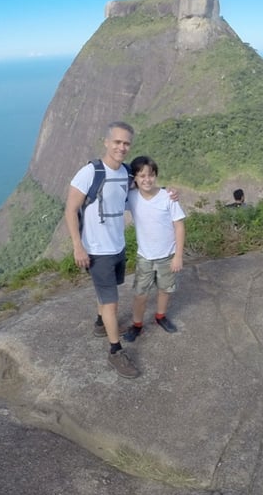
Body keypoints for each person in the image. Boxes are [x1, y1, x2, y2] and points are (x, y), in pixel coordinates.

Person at [64, 121, 139, 379]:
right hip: (97, 251)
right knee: (112, 303)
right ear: (106, 142)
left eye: (126, 143)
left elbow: (141, 193)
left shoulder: (127, 173)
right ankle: (115, 351)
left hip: (118, 246)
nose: (121, 147)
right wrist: (78, 246)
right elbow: (71, 209)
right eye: (117, 142)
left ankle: (99, 324)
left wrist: (168, 194)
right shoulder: (91, 172)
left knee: (108, 292)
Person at [122, 156, 186, 343]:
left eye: (150, 175)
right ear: (135, 178)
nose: (146, 180)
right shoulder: (132, 197)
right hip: (145, 257)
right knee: (140, 294)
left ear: (156, 175)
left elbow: (179, 226)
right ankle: (137, 324)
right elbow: (114, 199)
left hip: (168, 255)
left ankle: (160, 316)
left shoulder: (167, 197)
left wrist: (178, 256)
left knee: (165, 290)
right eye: (141, 176)